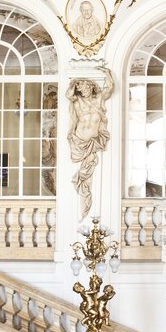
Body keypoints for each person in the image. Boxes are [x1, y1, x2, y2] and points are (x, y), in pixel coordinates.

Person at [67, 66, 114, 218]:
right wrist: (74, 83)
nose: (84, 91)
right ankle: (83, 207)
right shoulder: (77, 102)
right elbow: (68, 95)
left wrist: (107, 73)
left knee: (89, 171)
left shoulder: (98, 99)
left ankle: (86, 207)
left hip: (94, 140)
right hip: (79, 140)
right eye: (82, 89)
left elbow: (111, 87)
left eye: (87, 88)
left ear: (91, 88)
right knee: (84, 173)